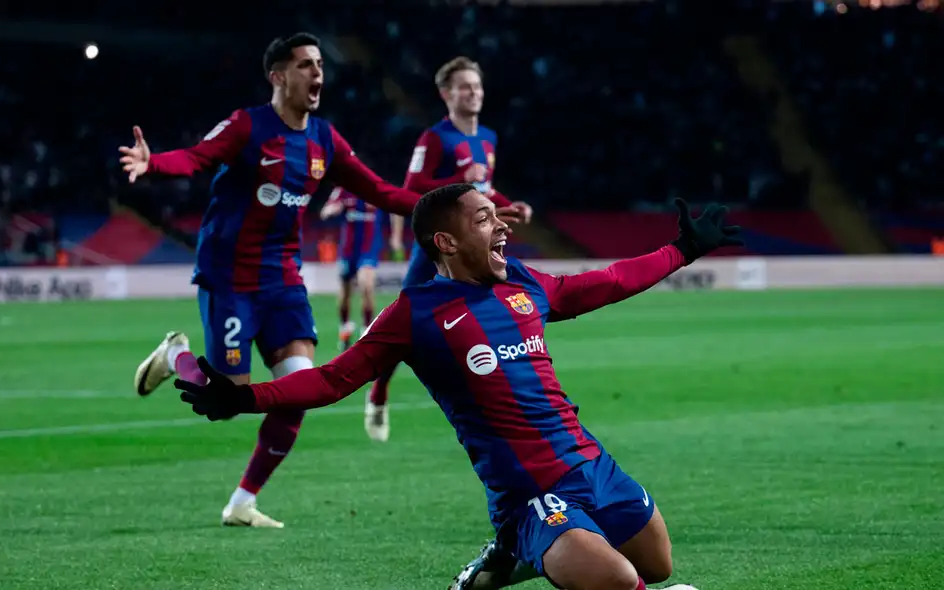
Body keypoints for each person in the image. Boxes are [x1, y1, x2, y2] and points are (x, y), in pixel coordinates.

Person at [173, 183, 742, 589]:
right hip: (528, 493)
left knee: (658, 566)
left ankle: (512, 560)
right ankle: (522, 538)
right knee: (618, 580)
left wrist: (682, 251)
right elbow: (331, 379)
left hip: (592, 464)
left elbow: (607, 281)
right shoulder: (413, 314)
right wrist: (244, 396)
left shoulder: (522, 282)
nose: (503, 227)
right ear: (446, 242)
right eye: (485, 220)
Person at [118, 32, 428, 529]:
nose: (318, 73)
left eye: (320, 64)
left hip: (282, 279)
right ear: (278, 76)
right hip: (229, 278)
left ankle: (241, 503)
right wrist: (152, 162)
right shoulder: (248, 126)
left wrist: (451, 205)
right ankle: (176, 356)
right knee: (226, 402)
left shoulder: (325, 140)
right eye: (306, 65)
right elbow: (197, 157)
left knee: (299, 391)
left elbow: (381, 191)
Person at [368, 56, 533, 438]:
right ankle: (378, 391)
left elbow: (483, 189)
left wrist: (509, 203)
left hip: (477, 248)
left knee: (498, 314)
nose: (473, 92)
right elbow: (412, 188)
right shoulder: (435, 138)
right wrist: (460, 178)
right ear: (446, 94)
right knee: (403, 322)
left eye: (477, 85)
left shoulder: (487, 137)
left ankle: (502, 400)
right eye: (464, 86)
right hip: (439, 248)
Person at [318, 186, 386, 354]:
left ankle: (366, 330)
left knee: (366, 285)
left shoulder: (375, 188)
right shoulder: (343, 190)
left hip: (369, 248)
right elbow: (325, 211)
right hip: (348, 250)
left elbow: (394, 208)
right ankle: (345, 327)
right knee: (345, 293)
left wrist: (396, 237)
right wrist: (332, 209)